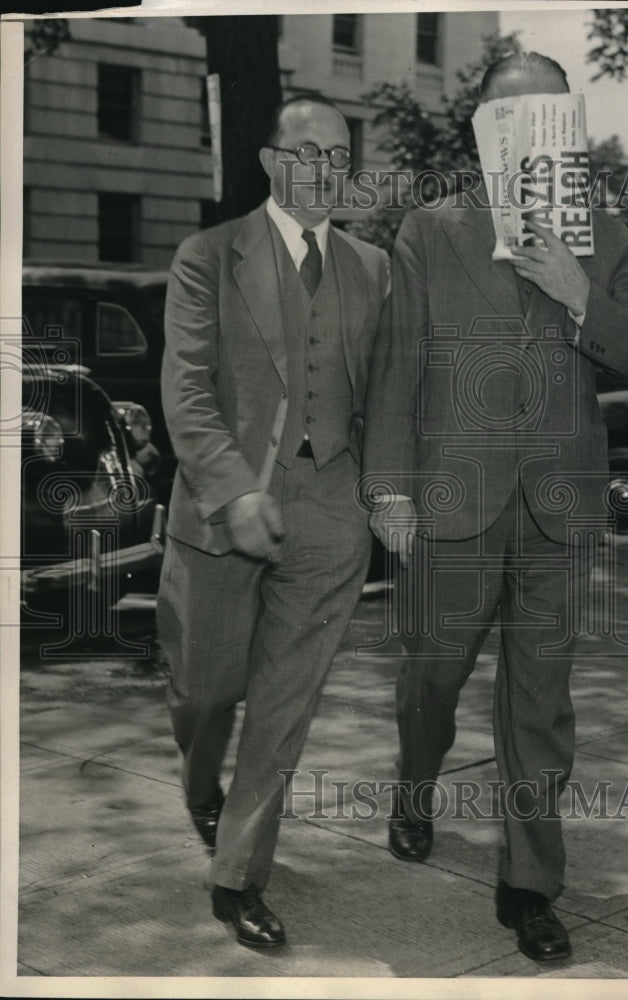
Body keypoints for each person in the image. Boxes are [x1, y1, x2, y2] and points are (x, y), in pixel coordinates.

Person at [363, 51, 628, 962]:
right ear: (483, 129)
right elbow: (395, 372)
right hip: (451, 502)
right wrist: (388, 489)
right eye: (513, 115)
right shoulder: (428, 229)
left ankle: (529, 885)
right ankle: (415, 787)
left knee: (539, 709)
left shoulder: (602, 232)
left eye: (550, 114)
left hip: (558, 507)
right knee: (431, 685)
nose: (534, 130)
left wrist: (579, 295)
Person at [157, 93, 390, 950]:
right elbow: (185, 388)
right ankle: (196, 774)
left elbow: (389, 396)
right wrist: (233, 488)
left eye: (338, 157)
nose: (322, 170)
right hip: (226, 512)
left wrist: (386, 491)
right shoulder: (207, 256)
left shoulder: (373, 266)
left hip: (332, 512)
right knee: (207, 689)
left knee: (284, 706)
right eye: (306, 153)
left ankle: (237, 875)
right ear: (268, 161)